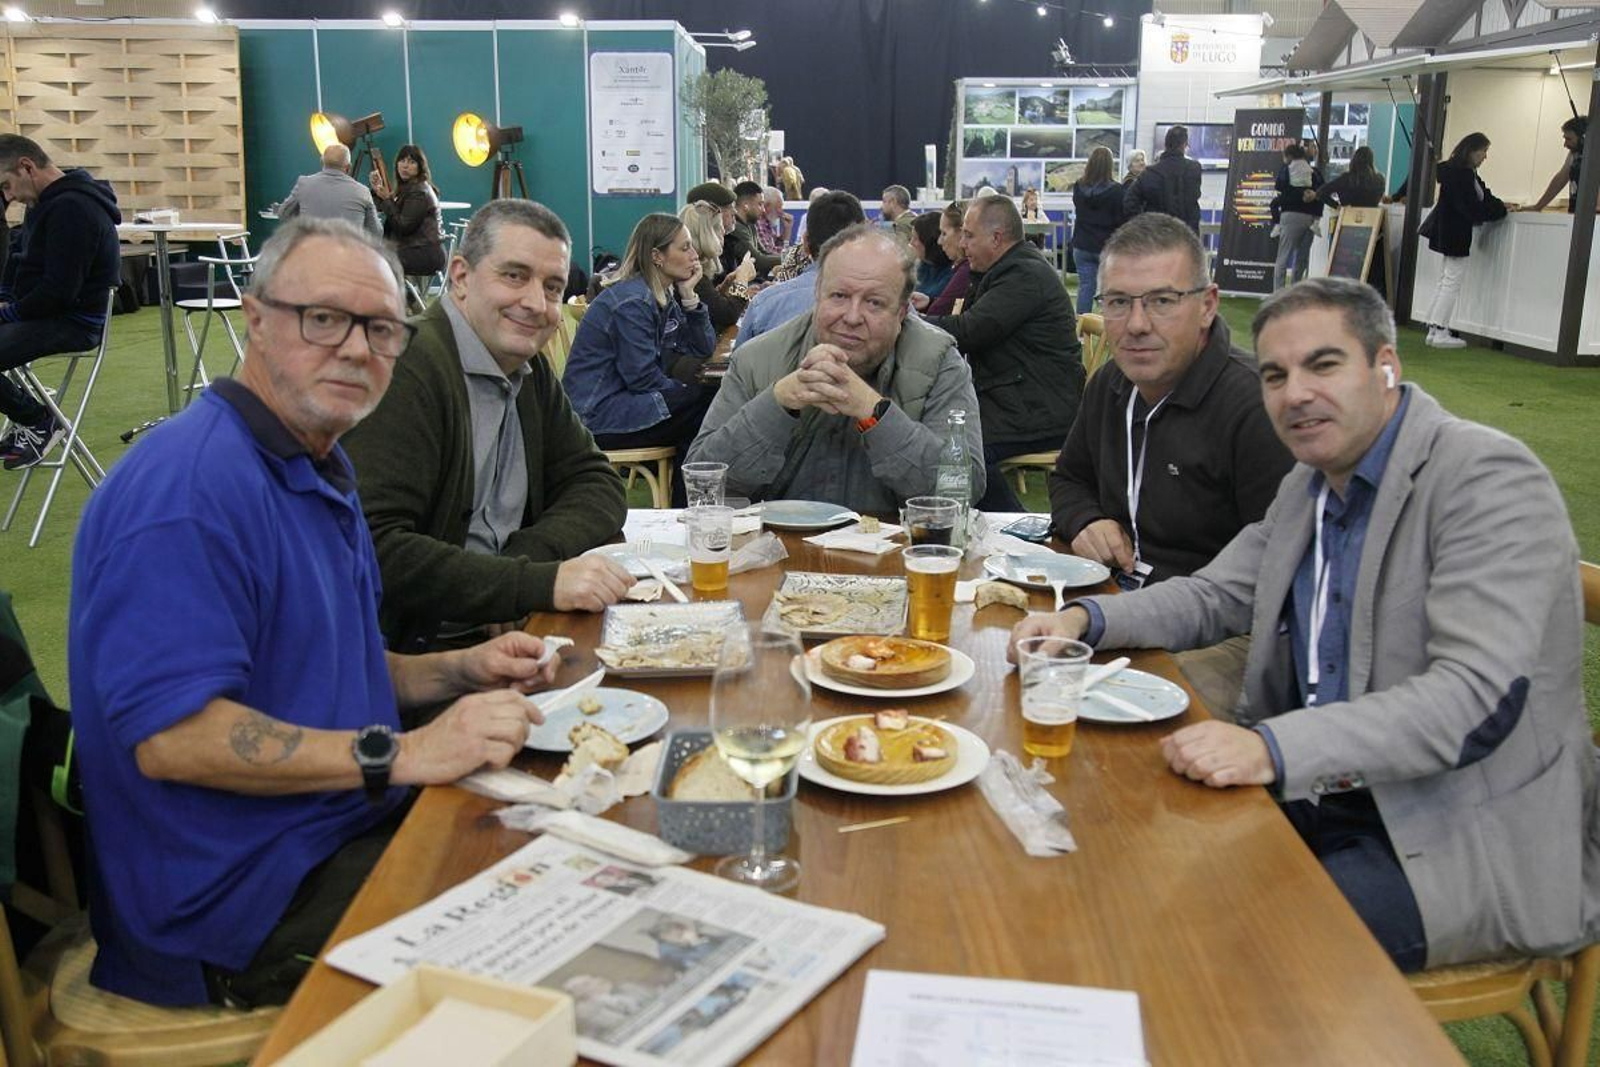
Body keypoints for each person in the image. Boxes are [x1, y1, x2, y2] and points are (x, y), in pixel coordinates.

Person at [1013, 275, 1599, 973]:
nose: (1295, 394)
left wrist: (1271, 749)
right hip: (1322, 794)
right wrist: (1085, 615)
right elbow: (1214, 595)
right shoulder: (1313, 482)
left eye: (1323, 364)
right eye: (1274, 374)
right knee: (1116, 858)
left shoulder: (1488, 479)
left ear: (1387, 366)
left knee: (1224, 949)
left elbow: (1471, 702)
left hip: (1454, 835)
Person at [68, 218, 562, 1008]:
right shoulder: (187, 493)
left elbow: (323, 666)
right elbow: (173, 739)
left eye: (380, 329)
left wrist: (458, 669)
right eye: (323, 318)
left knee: (563, 844)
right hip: (235, 912)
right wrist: (398, 754)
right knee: (552, 930)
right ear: (254, 317)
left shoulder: (315, 464)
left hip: (327, 836)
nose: (357, 350)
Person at [342, 200, 632, 652]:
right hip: (415, 658)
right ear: (460, 277)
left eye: (553, 287)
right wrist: (526, 584)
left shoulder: (527, 370)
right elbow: (374, 549)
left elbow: (598, 485)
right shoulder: (409, 365)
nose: (536, 303)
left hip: (505, 632)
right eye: (514, 276)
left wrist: (518, 569)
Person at [1048, 213, 1293, 715]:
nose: (1137, 324)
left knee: (1101, 710)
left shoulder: (1256, 408)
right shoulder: (1111, 385)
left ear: (1207, 306)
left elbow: (1279, 581)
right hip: (1116, 603)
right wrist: (1086, 520)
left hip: (1223, 634)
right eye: (1117, 302)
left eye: (1162, 301)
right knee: (1023, 671)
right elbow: (1069, 478)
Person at [687, 225, 985, 513]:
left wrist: (873, 412)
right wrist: (776, 404)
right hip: (777, 553)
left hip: (898, 555)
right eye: (839, 296)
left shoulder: (939, 362)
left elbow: (961, 490)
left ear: (902, 312)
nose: (852, 317)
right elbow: (705, 481)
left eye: (874, 302)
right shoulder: (759, 358)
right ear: (818, 294)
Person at [923, 194, 1082, 511]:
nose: (963, 244)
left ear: (996, 238)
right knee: (944, 431)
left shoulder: (1023, 276)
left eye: (969, 235)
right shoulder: (1007, 270)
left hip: (1040, 408)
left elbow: (971, 331)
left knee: (959, 451)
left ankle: (1013, 530)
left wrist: (909, 323)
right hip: (1019, 396)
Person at [562, 212, 717, 506]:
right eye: (685, 248)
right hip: (597, 418)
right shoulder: (633, 301)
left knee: (706, 405)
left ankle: (689, 505)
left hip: (622, 405)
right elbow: (643, 379)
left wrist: (689, 296)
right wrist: (685, 393)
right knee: (706, 405)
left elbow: (701, 348)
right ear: (657, 256)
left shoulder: (660, 295)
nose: (695, 255)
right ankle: (690, 507)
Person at [0, 134, 121, 470]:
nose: (8, 197)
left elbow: (59, 292)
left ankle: (38, 421)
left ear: (26, 167)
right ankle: (32, 421)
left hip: (74, 322)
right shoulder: (43, 202)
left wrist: (7, 312)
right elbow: (18, 260)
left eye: (7, 185)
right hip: (42, 312)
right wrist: (5, 301)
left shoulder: (74, 208)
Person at [734, 190, 867, 345]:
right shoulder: (883, 308)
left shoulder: (764, 304)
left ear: (805, 243)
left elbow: (738, 365)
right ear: (863, 242)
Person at [1419, 132, 1507, 350]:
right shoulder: (1462, 175)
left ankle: (1434, 328)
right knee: (1451, 281)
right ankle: (1439, 329)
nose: (1485, 157)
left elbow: (1483, 196)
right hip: (1456, 231)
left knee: (1446, 279)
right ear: (1472, 151)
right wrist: (1499, 210)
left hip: (1449, 230)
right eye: (1484, 151)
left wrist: (1498, 206)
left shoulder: (1461, 173)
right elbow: (1473, 206)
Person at [368, 143, 446, 279]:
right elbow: (383, 208)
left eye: (411, 162)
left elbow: (403, 226)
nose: (405, 166)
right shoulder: (408, 188)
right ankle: (404, 297)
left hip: (423, 253)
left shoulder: (419, 192)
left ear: (420, 167)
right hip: (415, 250)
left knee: (373, 261)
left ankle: (398, 298)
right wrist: (377, 190)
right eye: (402, 161)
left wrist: (386, 199)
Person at [278, 144, 382, 239]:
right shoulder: (362, 191)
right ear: (348, 167)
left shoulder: (304, 184)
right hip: (349, 255)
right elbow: (376, 232)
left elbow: (284, 213)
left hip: (311, 253)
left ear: (322, 162)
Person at [681, 200, 755, 332]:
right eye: (718, 227)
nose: (723, 232)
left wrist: (724, 287)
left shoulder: (697, 272)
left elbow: (710, 305)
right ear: (707, 234)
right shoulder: (691, 275)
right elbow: (727, 315)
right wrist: (742, 281)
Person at [1070, 146, 1123, 315]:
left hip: (1082, 244)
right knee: (1109, 288)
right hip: (1105, 246)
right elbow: (1119, 220)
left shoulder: (1078, 186)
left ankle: (1080, 328)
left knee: (1086, 286)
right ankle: (1109, 326)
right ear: (1109, 166)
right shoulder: (1116, 191)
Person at [1124, 125, 1203, 234]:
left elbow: (1129, 203)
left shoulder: (1149, 173)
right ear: (1184, 145)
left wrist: (1144, 226)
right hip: (1186, 236)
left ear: (1165, 145)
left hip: (1156, 236)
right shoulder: (1194, 169)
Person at [1271, 142, 1324, 291]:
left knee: (1283, 257)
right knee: (1301, 259)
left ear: (1288, 156)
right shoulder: (1313, 171)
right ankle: (1296, 293)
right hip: (1310, 218)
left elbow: (1279, 186)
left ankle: (1279, 293)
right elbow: (1321, 190)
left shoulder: (1286, 169)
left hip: (1290, 215)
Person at [1524, 116, 1597, 214]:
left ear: (1583, 138)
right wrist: (1538, 206)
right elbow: (1560, 179)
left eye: (1569, 139)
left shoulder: (1595, 155)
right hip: (1575, 214)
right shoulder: (1574, 155)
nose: (1565, 144)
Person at [919, 200, 972, 316]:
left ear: (961, 233)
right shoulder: (963, 268)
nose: (939, 241)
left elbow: (937, 313)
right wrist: (929, 302)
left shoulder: (966, 270)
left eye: (944, 233)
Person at [723, 180, 781, 280]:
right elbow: (758, 261)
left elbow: (764, 253)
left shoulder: (750, 226)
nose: (763, 209)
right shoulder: (736, 228)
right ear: (746, 205)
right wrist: (789, 258)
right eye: (760, 204)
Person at [909, 211, 954, 302]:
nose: (911, 243)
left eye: (915, 238)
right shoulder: (922, 265)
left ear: (929, 241)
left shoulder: (951, 274)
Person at [754, 186, 793, 256]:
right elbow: (769, 252)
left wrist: (787, 229)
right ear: (767, 206)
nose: (781, 211)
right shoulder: (758, 222)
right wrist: (792, 253)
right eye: (779, 207)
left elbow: (777, 245)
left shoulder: (766, 222)